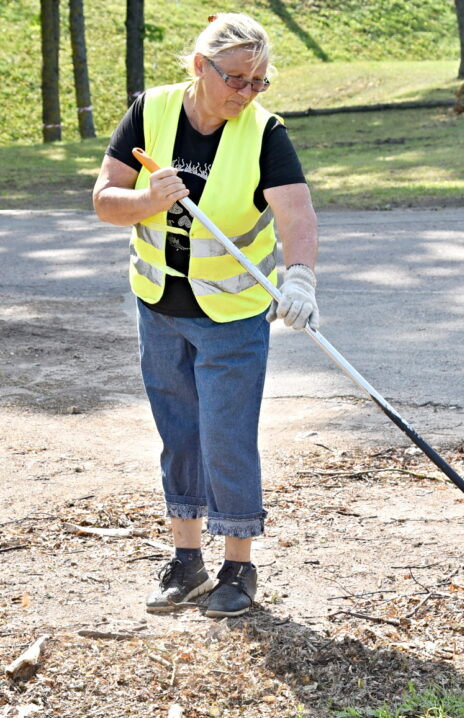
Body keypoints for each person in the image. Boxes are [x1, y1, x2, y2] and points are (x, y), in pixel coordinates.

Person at [92, 13, 319, 618]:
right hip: (159, 308)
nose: (247, 93)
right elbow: (105, 200)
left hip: (233, 316)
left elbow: (296, 217)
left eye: (259, 82)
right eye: (237, 79)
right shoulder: (151, 112)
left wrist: (300, 278)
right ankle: (186, 561)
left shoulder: (264, 133)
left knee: (227, 437)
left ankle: (239, 567)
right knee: (180, 434)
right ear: (201, 67)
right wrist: (146, 199)